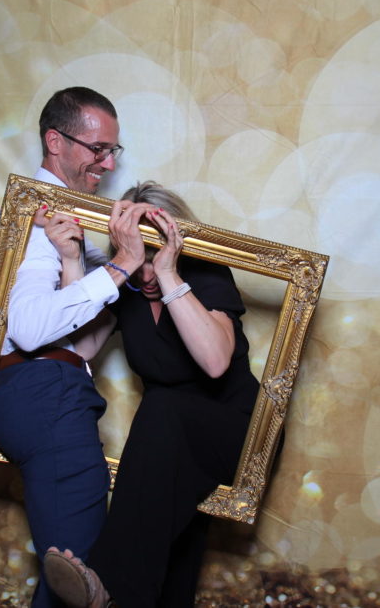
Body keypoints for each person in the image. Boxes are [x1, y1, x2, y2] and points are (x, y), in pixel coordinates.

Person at [42, 182, 260, 608]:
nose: (144, 274)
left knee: (162, 406)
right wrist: (71, 262)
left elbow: (215, 362)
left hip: (234, 428)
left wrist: (168, 273)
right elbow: (81, 348)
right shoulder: (127, 287)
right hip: (167, 441)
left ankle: (106, 587)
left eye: (153, 253)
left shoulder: (206, 273)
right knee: (174, 543)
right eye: (136, 254)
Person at [0, 86, 144, 608]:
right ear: (56, 141)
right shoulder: (35, 216)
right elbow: (29, 330)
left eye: (113, 151)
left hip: (52, 390)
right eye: (98, 149)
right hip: (44, 392)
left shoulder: (68, 225)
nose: (108, 163)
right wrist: (122, 266)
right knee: (85, 579)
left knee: (72, 581)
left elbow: (83, 347)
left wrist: (98, 272)